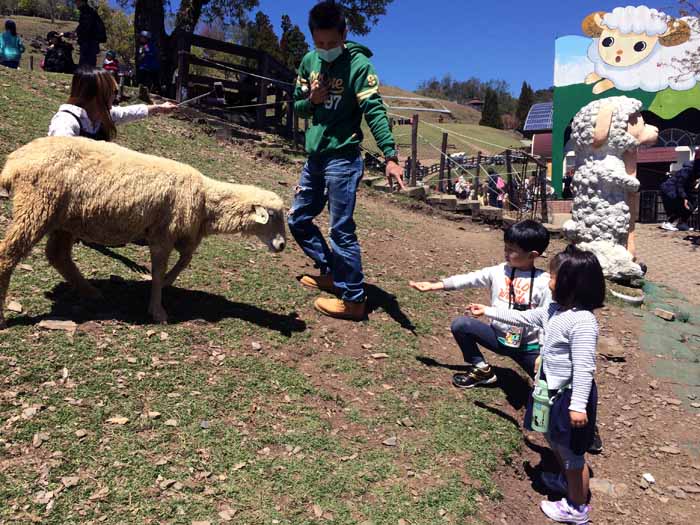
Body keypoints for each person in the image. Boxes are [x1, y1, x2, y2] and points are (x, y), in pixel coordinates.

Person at [468, 244, 605, 525]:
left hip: (569, 396)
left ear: (571, 283)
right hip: (550, 391)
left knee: (573, 453)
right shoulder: (554, 310)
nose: (548, 280)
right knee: (554, 438)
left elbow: (584, 368)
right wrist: (489, 311)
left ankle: (576, 509)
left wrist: (578, 406)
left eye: (553, 276)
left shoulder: (582, 322)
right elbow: (525, 317)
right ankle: (565, 480)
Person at [288, 1, 404, 321]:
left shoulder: (359, 66)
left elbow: (375, 111)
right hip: (315, 156)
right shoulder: (309, 61)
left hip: (343, 157)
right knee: (297, 219)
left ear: (344, 34)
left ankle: (353, 299)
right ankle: (330, 270)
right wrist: (311, 100)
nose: (324, 49)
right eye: (319, 43)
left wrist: (390, 156)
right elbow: (297, 106)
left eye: (331, 43)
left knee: (341, 230)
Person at [410, 220, 551, 388]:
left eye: (512, 250)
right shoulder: (499, 271)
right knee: (461, 325)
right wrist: (436, 285)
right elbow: (470, 278)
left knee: (548, 386)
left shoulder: (545, 282)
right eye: (505, 247)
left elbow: (547, 321)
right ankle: (482, 369)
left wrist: (542, 354)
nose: (506, 253)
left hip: (527, 347)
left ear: (533, 255)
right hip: (497, 337)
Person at [48, 66, 176, 140]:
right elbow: (60, 153)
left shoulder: (101, 116)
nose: (115, 95)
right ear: (98, 94)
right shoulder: (66, 121)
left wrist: (160, 108)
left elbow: (130, 112)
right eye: (113, 91)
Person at [660, 159, 700, 232]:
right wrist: (684, 197)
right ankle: (668, 222)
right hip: (670, 188)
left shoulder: (696, 171)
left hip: (679, 189)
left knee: (693, 204)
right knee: (683, 205)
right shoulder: (687, 170)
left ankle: (681, 223)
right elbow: (680, 185)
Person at [75, 0, 106, 67]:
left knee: (86, 64)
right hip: (90, 42)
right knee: (88, 63)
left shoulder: (87, 12)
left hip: (89, 42)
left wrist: (78, 34)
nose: (75, 3)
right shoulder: (87, 11)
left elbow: (86, 27)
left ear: (82, 1)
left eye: (76, 1)